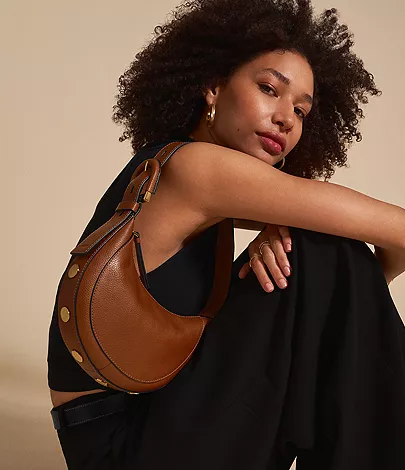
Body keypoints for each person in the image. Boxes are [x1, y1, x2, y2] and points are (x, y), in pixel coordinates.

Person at [47, 0, 405, 468]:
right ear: (213, 86)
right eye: (268, 89)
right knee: (320, 247)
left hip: (158, 420)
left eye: (301, 111)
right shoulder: (196, 168)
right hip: (125, 445)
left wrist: (315, 268)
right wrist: (342, 290)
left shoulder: (201, 180)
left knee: (315, 248)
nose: (286, 118)